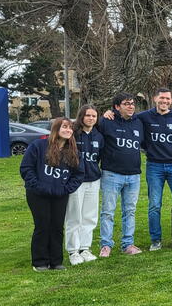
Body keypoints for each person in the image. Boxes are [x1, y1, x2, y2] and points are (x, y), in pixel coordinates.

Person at [103, 88, 172, 252]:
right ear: (155, 99)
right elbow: (124, 116)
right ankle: (155, 240)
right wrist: (109, 112)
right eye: (162, 98)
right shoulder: (144, 117)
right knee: (154, 205)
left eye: (167, 99)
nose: (164, 101)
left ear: (171, 100)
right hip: (154, 166)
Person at [20, 118, 84, 271]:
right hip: (38, 194)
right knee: (42, 226)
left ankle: (56, 262)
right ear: (56, 128)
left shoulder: (73, 152)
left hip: (59, 194)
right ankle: (40, 262)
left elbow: (79, 174)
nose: (68, 130)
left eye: (70, 128)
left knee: (56, 227)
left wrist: (66, 189)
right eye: (64, 127)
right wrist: (37, 186)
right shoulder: (39, 146)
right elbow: (26, 168)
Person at [97, 93, 146, 257]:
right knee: (108, 211)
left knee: (130, 211)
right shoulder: (106, 121)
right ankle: (106, 245)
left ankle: (128, 244)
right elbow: (88, 127)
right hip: (112, 174)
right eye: (126, 104)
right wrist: (103, 113)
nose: (131, 106)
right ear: (117, 107)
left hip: (133, 175)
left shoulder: (139, 123)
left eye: (132, 103)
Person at [65, 106, 102, 266]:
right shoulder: (73, 135)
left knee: (90, 216)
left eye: (94, 116)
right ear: (81, 116)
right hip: (75, 181)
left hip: (93, 180)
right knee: (74, 217)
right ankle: (73, 251)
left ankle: (85, 248)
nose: (91, 118)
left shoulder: (99, 136)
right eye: (88, 115)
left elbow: (98, 157)